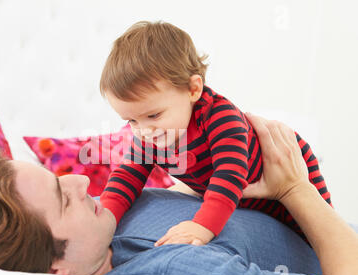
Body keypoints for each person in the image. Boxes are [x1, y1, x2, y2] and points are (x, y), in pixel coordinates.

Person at [0, 115, 357, 275]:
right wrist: (296, 188)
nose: (82, 178)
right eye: (65, 198)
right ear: (55, 270)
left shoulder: (106, 225)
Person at [98, 20, 332, 246]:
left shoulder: (220, 118)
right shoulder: (150, 135)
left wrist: (203, 225)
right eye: (131, 120)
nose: (143, 131)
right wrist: (106, 219)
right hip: (249, 205)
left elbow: (230, 173)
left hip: (292, 176)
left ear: (193, 89)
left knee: (318, 236)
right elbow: (127, 177)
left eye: (154, 116)